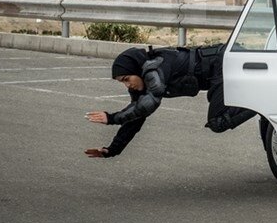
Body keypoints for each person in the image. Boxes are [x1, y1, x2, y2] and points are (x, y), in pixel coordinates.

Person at [84, 44, 255, 158]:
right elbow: (135, 117)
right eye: (122, 81)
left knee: (217, 122)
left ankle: (263, 104)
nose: (127, 85)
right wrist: (112, 150)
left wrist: (112, 118)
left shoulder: (154, 69)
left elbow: (148, 104)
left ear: (136, 69)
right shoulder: (142, 81)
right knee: (218, 119)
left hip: (223, 61)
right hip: (221, 65)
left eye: (127, 78)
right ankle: (262, 102)